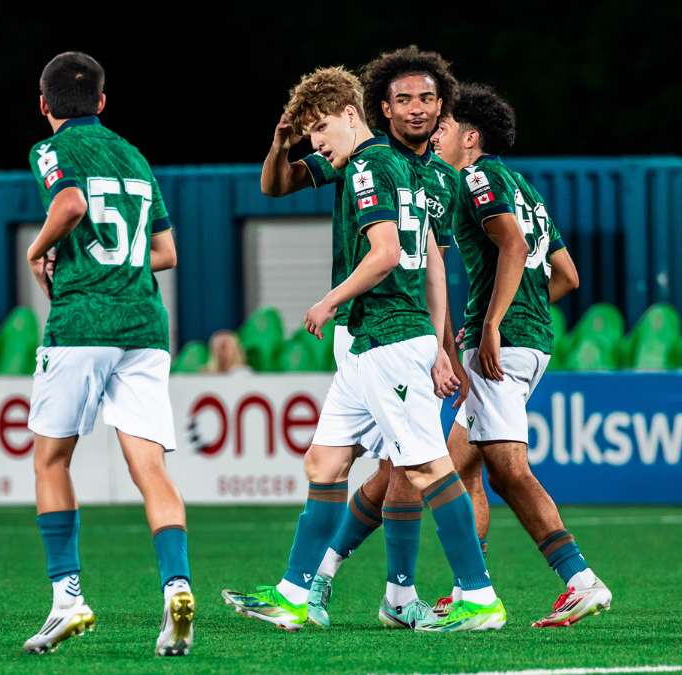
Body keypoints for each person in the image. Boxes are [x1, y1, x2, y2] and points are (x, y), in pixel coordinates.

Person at [222, 65, 506, 633]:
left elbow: (384, 254)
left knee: (424, 466)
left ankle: (478, 597)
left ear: (353, 116)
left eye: (320, 129)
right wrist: (438, 342)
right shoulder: (391, 165)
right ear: (382, 109)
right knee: (325, 461)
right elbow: (428, 257)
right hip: (374, 339)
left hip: (387, 334)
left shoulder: (371, 167)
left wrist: (330, 302)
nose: (317, 143)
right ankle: (295, 593)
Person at [21, 51, 194, 656]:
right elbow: (167, 251)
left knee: (50, 461)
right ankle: (176, 586)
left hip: (82, 323)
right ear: (101, 102)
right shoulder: (134, 156)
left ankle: (67, 600)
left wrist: (38, 250)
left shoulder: (52, 150)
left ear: (44, 105)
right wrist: (115, 260)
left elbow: (68, 206)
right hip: (145, 327)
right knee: (151, 468)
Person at [430, 82, 612, 627]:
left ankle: (581, 580)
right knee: (460, 462)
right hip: (528, 342)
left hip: (500, 347)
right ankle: (472, 588)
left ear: (471, 135)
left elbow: (511, 244)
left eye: (444, 125)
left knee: (508, 471)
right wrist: (517, 315)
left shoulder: (481, 175)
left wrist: (491, 323)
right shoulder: (522, 186)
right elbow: (568, 276)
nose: (435, 132)